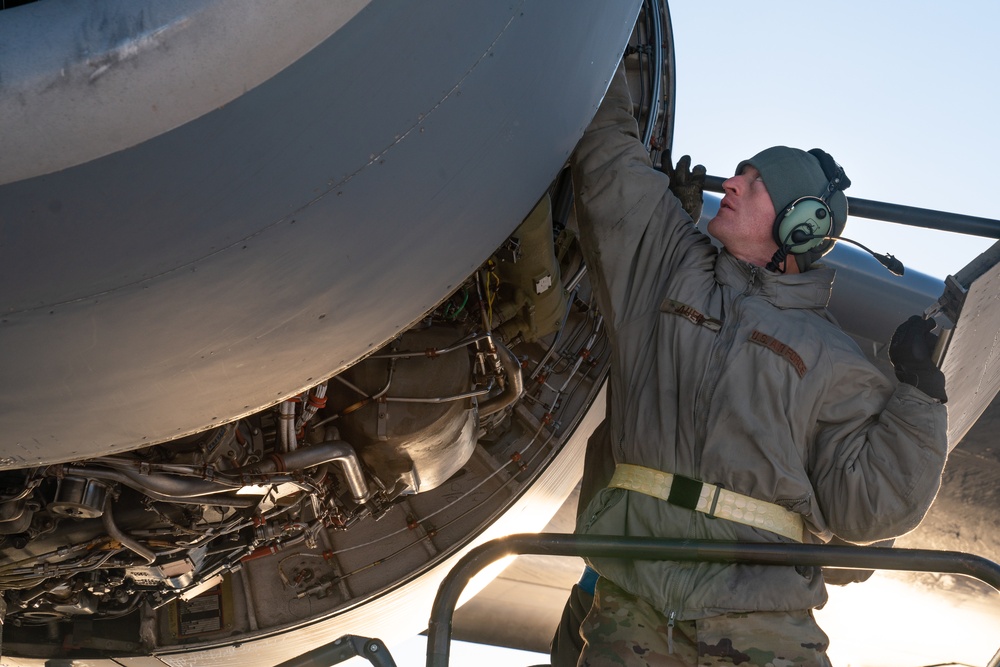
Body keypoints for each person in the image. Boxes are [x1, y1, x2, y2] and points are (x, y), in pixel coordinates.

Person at [563, 64, 949, 666]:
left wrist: (920, 398)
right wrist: (602, 36)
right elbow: (607, 154)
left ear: (800, 226)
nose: (732, 183)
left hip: (761, 624)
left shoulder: (834, 360)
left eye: (755, 180)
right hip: (630, 609)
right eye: (739, 171)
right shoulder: (666, 266)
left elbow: (871, 509)